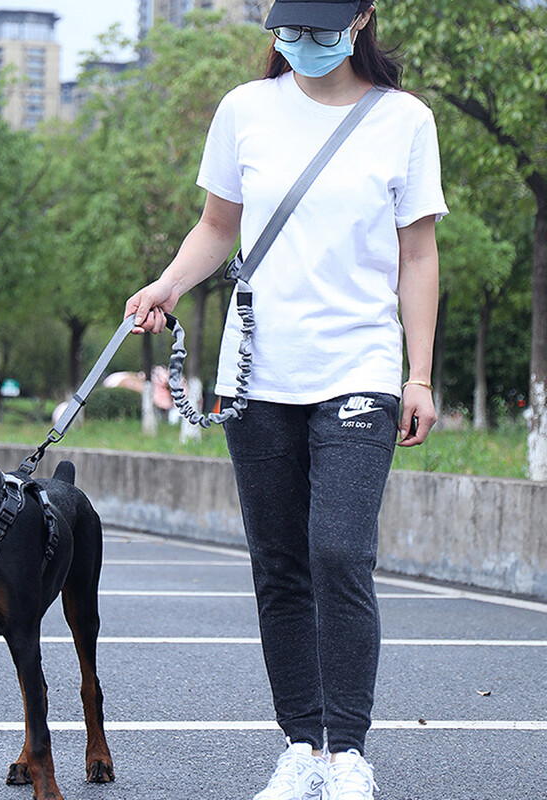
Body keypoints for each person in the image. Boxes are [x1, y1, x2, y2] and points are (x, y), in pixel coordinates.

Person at [124, 1, 448, 798]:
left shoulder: (405, 120)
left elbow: (419, 253)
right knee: (278, 565)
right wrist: (167, 282)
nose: (299, 43)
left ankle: (349, 756)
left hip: (360, 370)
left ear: (363, 18)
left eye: (317, 27)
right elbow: (217, 226)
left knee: (339, 550)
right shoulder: (245, 110)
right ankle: (302, 745)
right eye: (287, 29)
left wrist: (420, 375)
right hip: (256, 373)